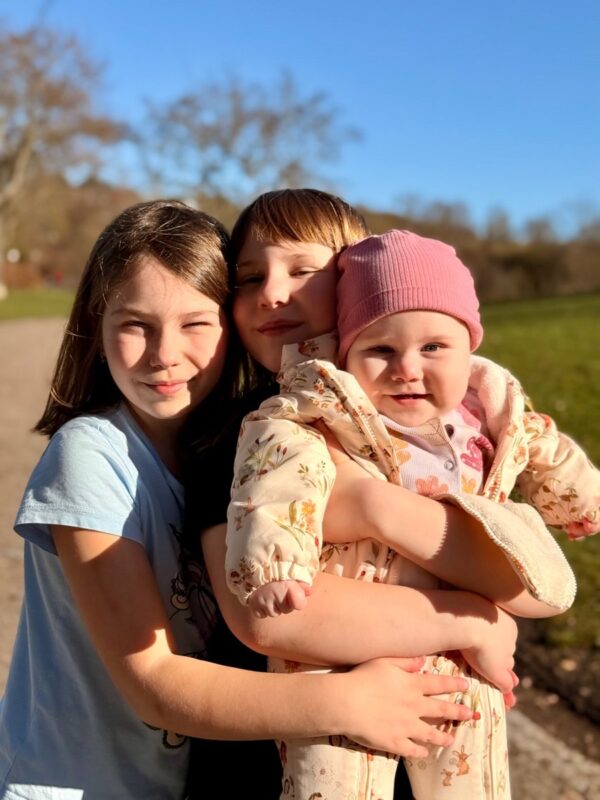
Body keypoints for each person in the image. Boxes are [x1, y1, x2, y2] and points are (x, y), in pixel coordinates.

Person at [0, 201, 484, 800]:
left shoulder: (376, 425)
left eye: (195, 323)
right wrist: (350, 699)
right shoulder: (100, 453)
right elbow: (158, 676)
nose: (164, 355)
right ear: (94, 330)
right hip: (72, 785)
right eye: (134, 324)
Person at [215, 196, 587, 799]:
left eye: (302, 270)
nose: (272, 292)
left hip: (451, 700)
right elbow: (273, 617)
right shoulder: (251, 429)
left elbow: (537, 589)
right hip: (319, 715)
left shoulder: (470, 412)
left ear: (351, 282)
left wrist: (372, 509)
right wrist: (472, 620)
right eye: (249, 277)